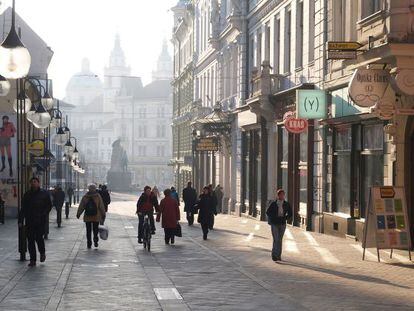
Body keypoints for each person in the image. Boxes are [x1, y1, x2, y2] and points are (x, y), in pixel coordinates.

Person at [18, 177, 52, 267]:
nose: (33, 183)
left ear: (38, 183)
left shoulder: (44, 194)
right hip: (30, 221)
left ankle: (42, 253)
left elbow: (49, 205)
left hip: (40, 221)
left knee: (39, 238)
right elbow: (23, 208)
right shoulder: (27, 195)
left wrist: (44, 214)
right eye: (32, 182)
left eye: (35, 182)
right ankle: (32, 259)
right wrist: (20, 220)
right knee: (30, 241)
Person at [266, 189, 292, 262]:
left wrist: (285, 218)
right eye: (281, 194)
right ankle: (274, 255)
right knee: (276, 239)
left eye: (283, 195)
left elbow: (290, 213)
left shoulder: (286, 204)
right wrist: (274, 218)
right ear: (278, 195)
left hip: (282, 223)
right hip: (274, 223)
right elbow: (268, 212)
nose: (282, 196)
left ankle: (278, 255)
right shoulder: (273, 204)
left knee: (280, 240)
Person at [76, 184, 106, 249]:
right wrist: (103, 214)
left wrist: (78, 213)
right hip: (96, 217)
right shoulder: (98, 196)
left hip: (87, 217)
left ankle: (89, 243)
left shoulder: (85, 197)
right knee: (95, 230)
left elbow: (81, 206)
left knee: (88, 231)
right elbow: (101, 206)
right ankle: (95, 241)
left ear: (88, 189)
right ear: (95, 189)